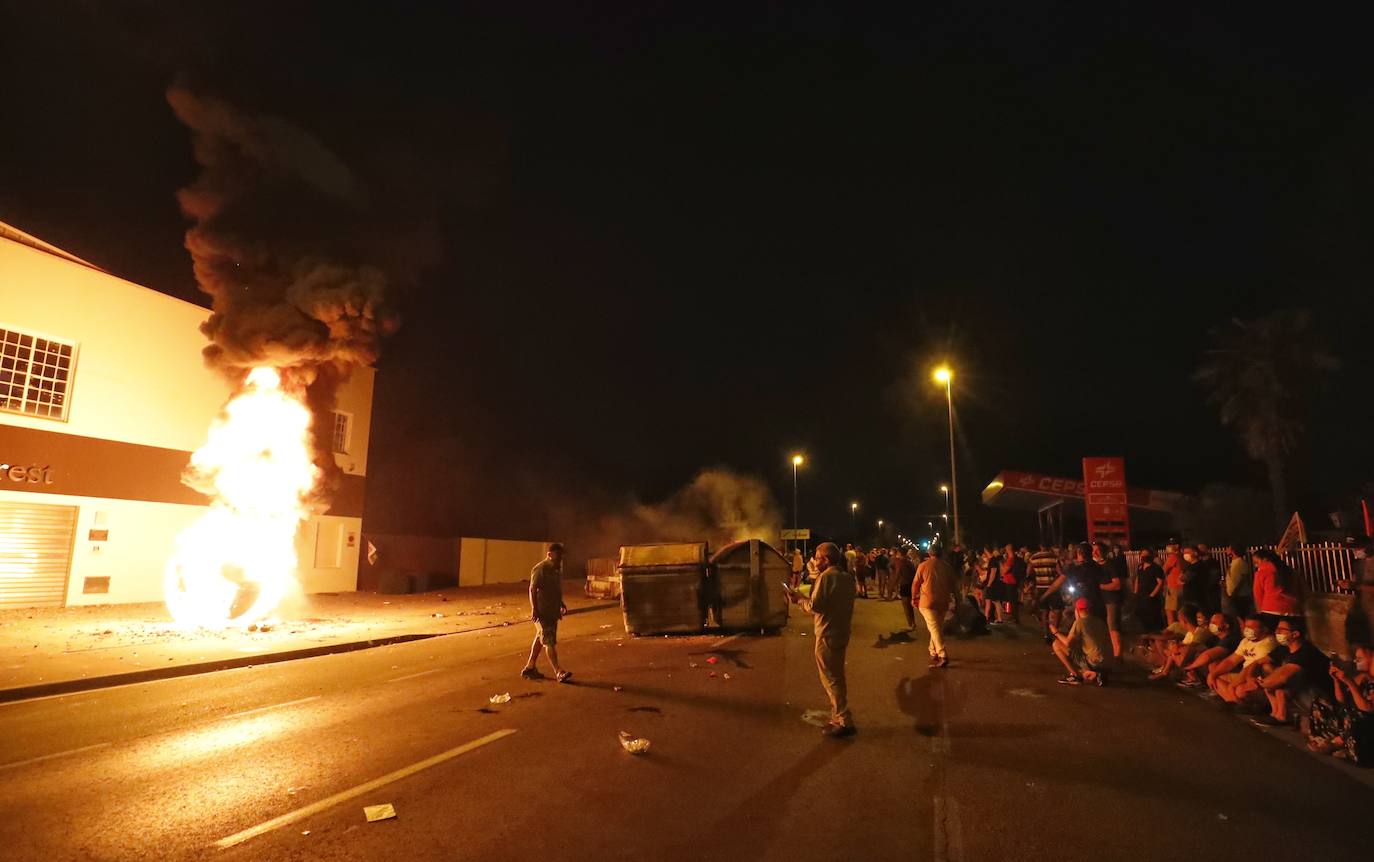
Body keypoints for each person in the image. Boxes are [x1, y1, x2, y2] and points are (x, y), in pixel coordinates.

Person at [787, 542, 857, 738]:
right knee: (837, 676)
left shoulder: (826, 577)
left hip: (827, 634)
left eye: (817, 558)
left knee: (831, 679)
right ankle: (840, 716)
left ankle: (843, 720)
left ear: (826, 560)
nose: (815, 562)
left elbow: (816, 606)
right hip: (841, 632)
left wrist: (798, 599)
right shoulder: (846, 577)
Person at [1252, 619, 1330, 727]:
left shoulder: (1306, 652)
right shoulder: (1284, 649)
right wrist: (1251, 677)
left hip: (1320, 696)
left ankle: (1282, 717)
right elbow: (1259, 662)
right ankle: (1275, 714)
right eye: (1277, 629)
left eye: (1281, 630)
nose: (1277, 632)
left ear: (1295, 634)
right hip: (1304, 689)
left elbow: (1283, 676)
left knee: (1278, 687)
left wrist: (1260, 683)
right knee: (1269, 671)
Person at [1308, 644, 1374, 763]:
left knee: (1355, 716)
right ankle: (1328, 739)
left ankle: (1340, 744)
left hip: (1366, 723)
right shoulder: (1361, 677)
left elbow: (1367, 709)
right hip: (1349, 719)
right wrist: (1337, 680)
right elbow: (1342, 700)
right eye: (1355, 658)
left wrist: (1350, 682)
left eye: (1359, 658)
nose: (1355, 661)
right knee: (1320, 703)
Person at [521, 542, 571, 682]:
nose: (559, 560)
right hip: (542, 612)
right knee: (549, 641)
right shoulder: (540, 569)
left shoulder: (556, 570)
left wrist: (560, 603)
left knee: (541, 637)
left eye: (561, 558)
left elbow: (555, 589)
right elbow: (532, 589)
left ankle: (530, 667)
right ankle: (558, 672)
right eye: (557, 557)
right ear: (549, 555)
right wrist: (534, 609)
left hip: (552, 611)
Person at [1208, 615, 1278, 707]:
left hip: (1257, 679)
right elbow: (1231, 661)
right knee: (1214, 676)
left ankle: (1233, 700)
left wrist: (1232, 685)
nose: (1247, 630)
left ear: (1265, 629)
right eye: (1246, 626)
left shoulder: (1268, 643)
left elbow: (1253, 667)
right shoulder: (1246, 641)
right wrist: (1213, 674)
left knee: (1240, 691)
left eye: (1251, 627)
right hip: (1244, 676)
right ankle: (1234, 701)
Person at [913, 547, 958, 668]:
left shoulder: (923, 565)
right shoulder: (948, 567)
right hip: (943, 601)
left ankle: (942, 654)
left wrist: (913, 598)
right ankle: (933, 651)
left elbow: (915, 583)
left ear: (929, 553)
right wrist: (958, 601)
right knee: (937, 626)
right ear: (942, 553)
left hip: (927, 602)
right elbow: (955, 586)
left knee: (934, 627)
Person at [1050, 597, 1112, 686]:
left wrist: (1056, 632)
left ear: (1077, 610)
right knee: (1081, 650)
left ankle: (1076, 676)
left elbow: (1068, 643)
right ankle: (1097, 674)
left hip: (1094, 661)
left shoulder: (1080, 623)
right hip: (1108, 662)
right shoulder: (1099, 621)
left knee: (1056, 644)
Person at [1148, 604, 1213, 680]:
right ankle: (1166, 671)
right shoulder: (1190, 633)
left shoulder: (1200, 632)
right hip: (1190, 659)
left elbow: (1190, 649)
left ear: (1184, 620)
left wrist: (1175, 651)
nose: (1179, 623)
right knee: (1175, 649)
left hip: (1202, 660)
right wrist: (1175, 647)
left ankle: (1169, 672)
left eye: (1179, 620)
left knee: (1182, 653)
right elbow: (1181, 644)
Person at [1178, 612, 1241, 689]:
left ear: (1226, 625)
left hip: (1236, 670)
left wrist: (1190, 667)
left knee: (1213, 664)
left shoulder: (1231, 639)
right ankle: (1200, 680)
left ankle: (1222, 689)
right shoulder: (1214, 638)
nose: (1211, 625)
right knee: (1195, 654)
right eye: (1211, 622)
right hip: (1223, 671)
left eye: (1214, 623)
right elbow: (1198, 648)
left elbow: (1208, 655)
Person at [1253, 548, 1304, 632]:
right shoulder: (1291, 571)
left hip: (1271, 611)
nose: (1256, 565)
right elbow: (1302, 591)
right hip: (1294, 610)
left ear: (1265, 559)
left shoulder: (1262, 573)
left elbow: (1258, 595)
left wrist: (1260, 612)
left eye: (1257, 562)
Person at [1093, 541, 1124, 659]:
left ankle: (1118, 656)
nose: (1095, 553)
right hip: (1100, 601)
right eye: (1093, 550)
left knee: (1113, 627)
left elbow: (1117, 584)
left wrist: (1101, 587)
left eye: (1098, 550)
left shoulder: (1110, 565)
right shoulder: (1095, 566)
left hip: (1111, 601)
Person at [1029, 542, 1064, 644]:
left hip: (1040, 587)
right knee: (1058, 610)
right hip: (1053, 588)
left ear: (1040, 546)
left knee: (1044, 611)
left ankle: (1046, 634)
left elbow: (1029, 572)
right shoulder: (1054, 557)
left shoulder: (1033, 557)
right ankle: (1054, 632)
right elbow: (1060, 572)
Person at [1134, 548, 1165, 632]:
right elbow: (1138, 579)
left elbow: (1160, 583)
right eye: (1142, 555)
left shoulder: (1156, 568)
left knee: (1154, 620)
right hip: (1141, 596)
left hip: (1151, 598)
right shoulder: (1140, 567)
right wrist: (1135, 592)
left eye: (1146, 555)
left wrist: (1152, 595)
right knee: (1143, 618)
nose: (1143, 557)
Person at [1222, 544, 1254, 621]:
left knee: (1241, 617)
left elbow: (1244, 579)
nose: (1226, 550)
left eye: (1228, 548)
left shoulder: (1241, 562)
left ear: (1233, 550)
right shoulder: (1234, 562)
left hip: (1241, 595)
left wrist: (1235, 591)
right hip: (1234, 594)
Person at [999, 542, 1026, 625]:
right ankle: (1014, 616)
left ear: (1008, 549)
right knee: (1012, 600)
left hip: (1011, 581)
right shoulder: (1015, 558)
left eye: (1006, 549)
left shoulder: (1011, 559)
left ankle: (1015, 618)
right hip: (1013, 581)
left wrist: (1001, 564)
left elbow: (1004, 571)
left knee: (1013, 600)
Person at [894, 548, 918, 629]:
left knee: (905, 605)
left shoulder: (900, 562)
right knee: (910, 605)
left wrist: (893, 584)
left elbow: (897, 573)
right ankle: (913, 622)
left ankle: (910, 624)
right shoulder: (909, 561)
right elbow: (914, 572)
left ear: (900, 553)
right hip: (911, 584)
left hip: (904, 584)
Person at [1163, 540, 1185, 625]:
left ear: (1177, 546)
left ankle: (1172, 632)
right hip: (1181, 587)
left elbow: (1164, 570)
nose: (1168, 547)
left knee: (1170, 611)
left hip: (1173, 587)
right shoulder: (1182, 556)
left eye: (1170, 545)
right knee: (1180, 611)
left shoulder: (1173, 556)